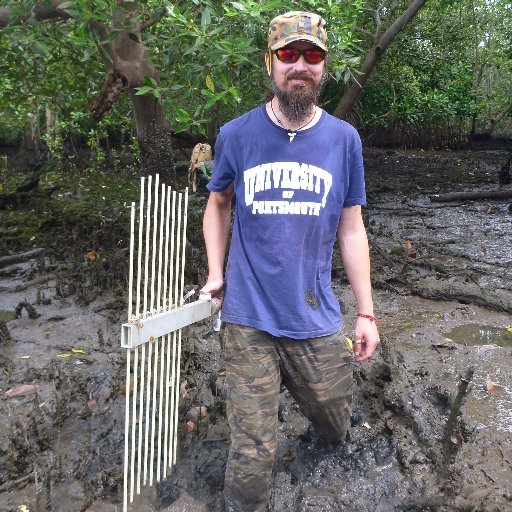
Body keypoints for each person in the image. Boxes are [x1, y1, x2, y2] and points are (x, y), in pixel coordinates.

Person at [200, 11, 380, 512]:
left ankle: (326, 425)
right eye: (288, 54)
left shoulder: (344, 140)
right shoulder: (236, 134)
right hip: (248, 317)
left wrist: (365, 313)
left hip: (313, 310)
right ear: (270, 62)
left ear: (324, 67)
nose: (299, 65)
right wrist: (216, 275)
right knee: (254, 455)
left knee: (333, 423)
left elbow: (351, 227)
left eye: (312, 56)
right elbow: (218, 203)